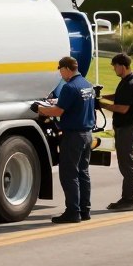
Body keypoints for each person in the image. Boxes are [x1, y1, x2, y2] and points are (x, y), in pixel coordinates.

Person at [34, 56, 95, 224]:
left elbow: (58, 112)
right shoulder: (87, 85)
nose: (60, 74)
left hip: (73, 136)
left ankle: (73, 211)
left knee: (69, 174)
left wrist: (40, 109)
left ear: (67, 69)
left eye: (60, 70)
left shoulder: (69, 87)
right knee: (83, 172)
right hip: (87, 134)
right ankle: (85, 210)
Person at [96, 53, 133, 211]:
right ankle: (126, 198)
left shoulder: (131, 84)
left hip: (128, 130)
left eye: (115, 66)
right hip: (124, 129)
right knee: (125, 165)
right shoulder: (127, 81)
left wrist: (102, 105)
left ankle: (131, 200)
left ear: (122, 66)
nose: (114, 69)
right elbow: (119, 97)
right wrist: (102, 97)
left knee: (127, 165)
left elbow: (123, 108)